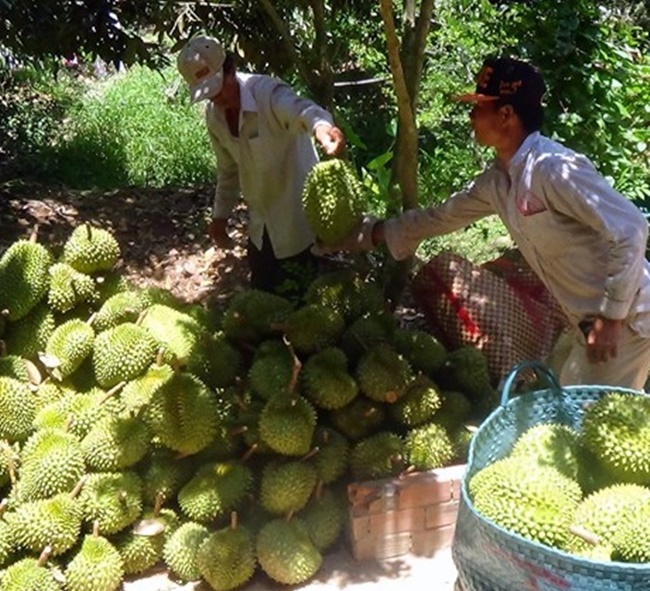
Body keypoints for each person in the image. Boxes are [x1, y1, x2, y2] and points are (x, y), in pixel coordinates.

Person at [315, 56, 650, 390]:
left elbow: (631, 228)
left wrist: (612, 317)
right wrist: (369, 233)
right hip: (588, 322)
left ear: (506, 114)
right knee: (557, 398)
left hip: (630, 320)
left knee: (584, 422)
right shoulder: (497, 182)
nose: (471, 116)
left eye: (479, 107)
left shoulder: (552, 168)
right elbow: (441, 217)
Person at [176, 35, 345, 298]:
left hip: (297, 223)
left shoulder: (267, 94)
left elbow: (301, 110)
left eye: (218, 87)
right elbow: (228, 170)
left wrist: (321, 127)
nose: (217, 98)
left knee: (300, 305)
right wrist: (220, 217)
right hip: (260, 226)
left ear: (230, 68)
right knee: (263, 303)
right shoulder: (214, 117)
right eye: (209, 93)